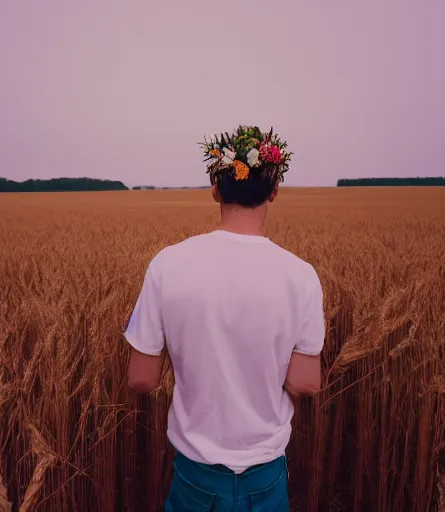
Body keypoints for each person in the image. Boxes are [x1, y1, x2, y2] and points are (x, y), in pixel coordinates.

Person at [124, 126, 325, 511]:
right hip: (266, 478)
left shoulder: (168, 265)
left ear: (215, 188)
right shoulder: (301, 276)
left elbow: (141, 378)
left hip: (196, 479)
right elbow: (304, 383)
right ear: (274, 191)